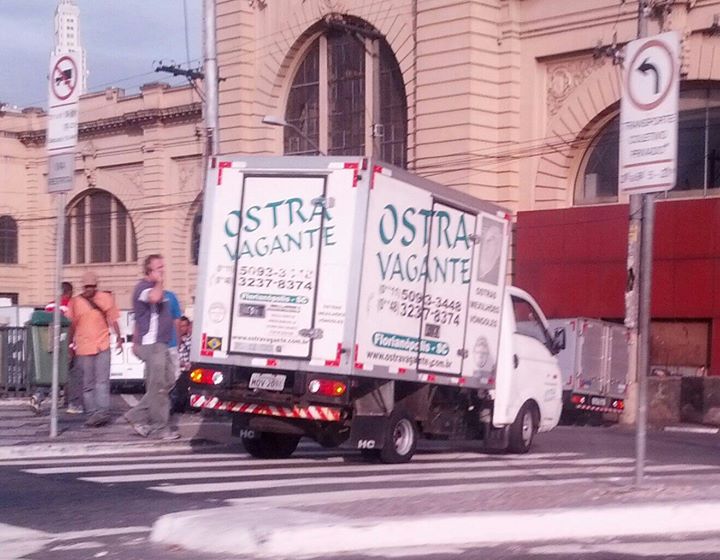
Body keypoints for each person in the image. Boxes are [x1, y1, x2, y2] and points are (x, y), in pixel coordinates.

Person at [124, 254, 179, 440]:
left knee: (168, 381)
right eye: (159, 267)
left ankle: (136, 415)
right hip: (152, 343)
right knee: (159, 387)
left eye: (163, 266)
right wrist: (159, 282)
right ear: (149, 271)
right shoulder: (143, 288)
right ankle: (160, 427)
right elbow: (154, 298)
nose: (163, 270)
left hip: (163, 343)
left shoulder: (157, 288)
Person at [67, 271, 122, 427]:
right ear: (83, 287)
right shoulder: (75, 302)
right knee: (88, 384)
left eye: (92, 286)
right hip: (84, 347)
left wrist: (119, 337)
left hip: (102, 344)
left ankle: (102, 413)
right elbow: (71, 325)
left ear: (96, 286)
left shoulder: (106, 298)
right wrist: (69, 345)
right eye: (87, 286)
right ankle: (92, 413)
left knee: (102, 381)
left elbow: (113, 319)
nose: (89, 289)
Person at [170, 316, 192, 413]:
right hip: (175, 369)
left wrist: (184, 341)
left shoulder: (191, 340)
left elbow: (192, 354)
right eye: (180, 326)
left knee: (183, 392)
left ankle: (182, 409)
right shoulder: (173, 340)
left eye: (184, 326)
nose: (182, 328)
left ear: (188, 327)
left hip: (185, 371)